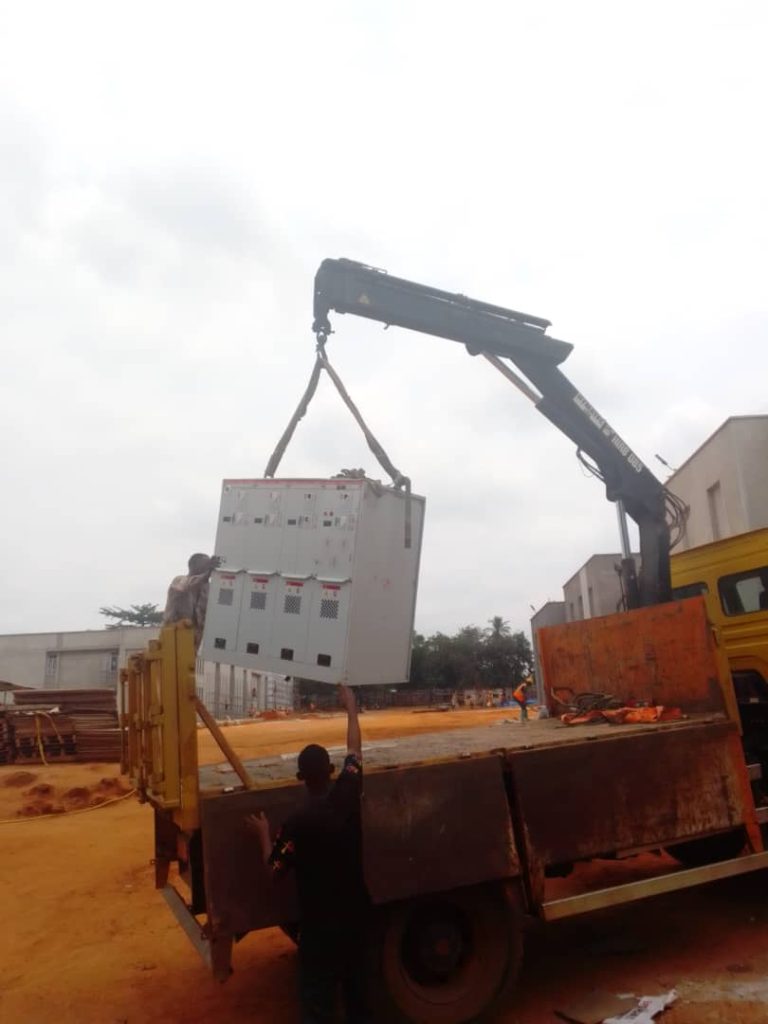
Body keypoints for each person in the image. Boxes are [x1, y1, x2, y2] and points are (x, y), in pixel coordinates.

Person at [247, 684, 370, 1024]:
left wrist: (262, 835)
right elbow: (355, 751)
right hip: (356, 918)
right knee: (360, 994)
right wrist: (351, 709)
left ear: (300, 777)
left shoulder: (294, 826)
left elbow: (273, 871)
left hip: (319, 929)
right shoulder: (348, 796)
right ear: (331, 770)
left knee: (317, 1001)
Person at [163, 552, 221, 649]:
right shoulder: (179, 580)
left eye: (210, 565)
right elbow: (187, 585)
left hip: (195, 636)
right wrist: (208, 573)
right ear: (193, 566)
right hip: (175, 633)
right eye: (206, 564)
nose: (208, 567)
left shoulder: (208, 588)